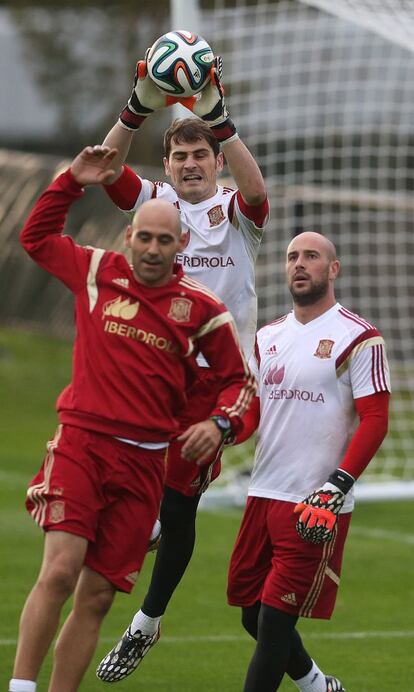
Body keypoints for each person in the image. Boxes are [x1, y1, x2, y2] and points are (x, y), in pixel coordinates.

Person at [9, 145, 256, 692]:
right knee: (59, 570)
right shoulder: (97, 272)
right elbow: (36, 239)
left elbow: (239, 385)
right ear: (129, 237)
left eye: (164, 240)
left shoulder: (202, 312)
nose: (152, 248)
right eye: (144, 237)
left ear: (181, 245)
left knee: (96, 597)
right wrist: (69, 182)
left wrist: (219, 425)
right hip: (83, 445)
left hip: (144, 468)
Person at [95, 53, 269, 681]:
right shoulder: (157, 209)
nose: (191, 165)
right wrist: (136, 105)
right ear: (166, 166)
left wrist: (219, 119)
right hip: (149, 379)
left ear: (215, 161)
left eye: (201, 156)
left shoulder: (233, 214)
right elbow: (107, 169)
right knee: (139, 498)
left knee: (179, 503)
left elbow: (256, 192)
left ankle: (146, 622)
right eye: (180, 157)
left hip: (220, 388)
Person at [226, 231, 391, 692]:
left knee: (275, 626)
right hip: (262, 493)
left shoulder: (359, 337)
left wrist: (336, 486)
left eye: (312, 256)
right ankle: (318, 686)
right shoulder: (268, 336)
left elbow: (376, 420)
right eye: (292, 256)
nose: (300, 264)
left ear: (332, 269)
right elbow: (254, 413)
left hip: (314, 503)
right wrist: (221, 432)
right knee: (252, 615)